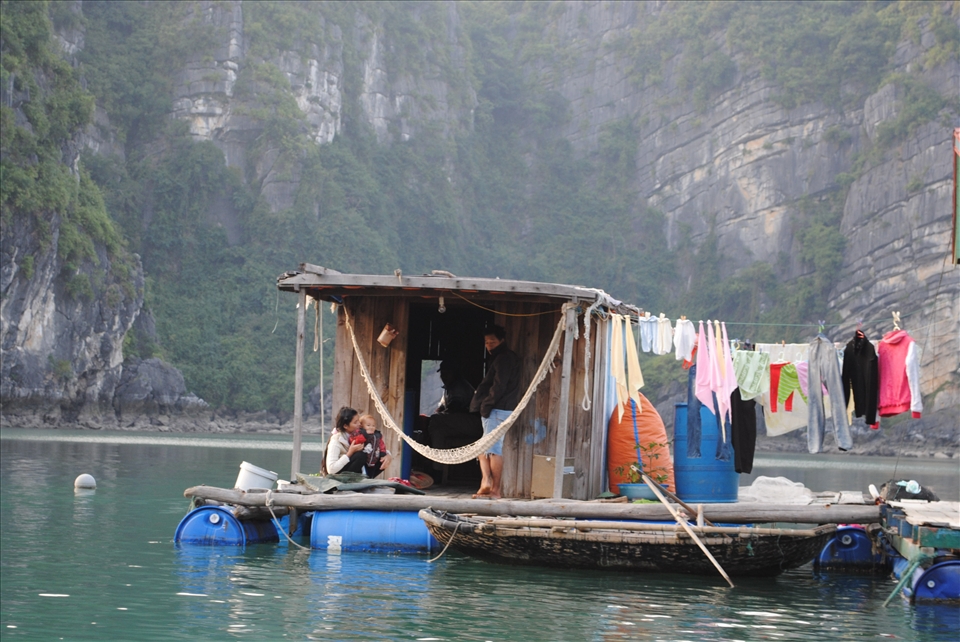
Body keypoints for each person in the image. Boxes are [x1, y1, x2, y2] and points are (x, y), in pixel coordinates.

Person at [469, 324, 521, 499]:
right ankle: (487, 484)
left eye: (492, 341)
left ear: (502, 341)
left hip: (497, 408)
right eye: (486, 342)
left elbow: (499, 385)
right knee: (485, 448)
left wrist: (486, 405)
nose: (489, 344)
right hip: (500, 408)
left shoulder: (504, 358)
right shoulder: (504, 357)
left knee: (491, 449)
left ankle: (493, 488)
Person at [324, 407, 367, 475]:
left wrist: (387, 455)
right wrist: (350, 453)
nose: (359, 424)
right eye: (355, 422)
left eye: (358, 420)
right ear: (345, 426)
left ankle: (367, 478)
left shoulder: (360, 434)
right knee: (360, 455)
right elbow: (331, 469)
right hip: (339, 476)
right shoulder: (336, 440)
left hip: (356, 472)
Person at [357, 413, 392, 478]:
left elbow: (382, 445)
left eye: (373, 425)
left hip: (374, 460)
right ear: (361, 426)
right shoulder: (360, 434)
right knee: (364, 473)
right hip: (364, 460)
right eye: (368, 425)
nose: (371, 427)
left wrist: (382, 454)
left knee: (371, 475)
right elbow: (357, 442)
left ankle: (370, 481)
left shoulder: (377, 435)